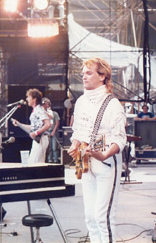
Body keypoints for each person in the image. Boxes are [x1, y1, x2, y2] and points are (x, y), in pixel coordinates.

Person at [67, 57, 127, 243]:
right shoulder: (81, 102)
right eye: (83, 73)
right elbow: (79, 129)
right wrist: (75, 144)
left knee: (104, 218)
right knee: (90, 217)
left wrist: (105, 154)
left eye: (89, 73)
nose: (84, 77)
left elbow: (120, 138)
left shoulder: (112, 104)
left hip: (106, 164)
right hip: (85, 163)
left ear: (102, 77)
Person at [12, 89, 51, 163]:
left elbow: (48, 124)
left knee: (35, 163)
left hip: (41, 139)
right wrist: (19, 124)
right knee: (34, 162)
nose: (27, 99)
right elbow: (33, 127)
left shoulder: (39, 110)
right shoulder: (36, 110)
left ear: (34, 99)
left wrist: (36, 133)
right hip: (38, 140)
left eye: (29, 97)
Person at [42, 97, 61, 163]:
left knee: (54, 147)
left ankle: (55, 159)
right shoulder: (43, 114)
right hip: (47, 131)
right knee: (49, 147)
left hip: (54, 131)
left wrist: (53, 131)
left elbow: (57, 123)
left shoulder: (54, 113)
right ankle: (49, 159)